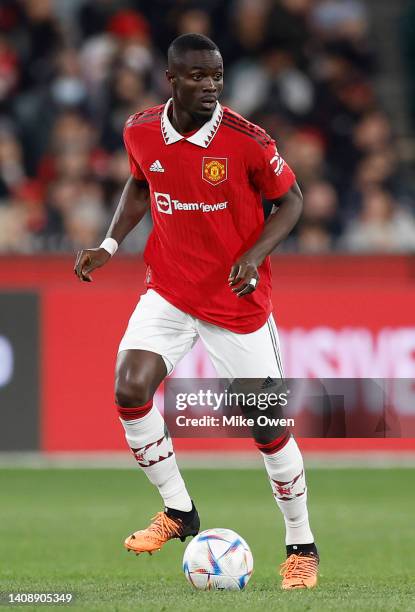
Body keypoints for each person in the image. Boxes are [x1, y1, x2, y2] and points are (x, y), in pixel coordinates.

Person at [74, 33, 319, 590]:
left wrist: (254, 255)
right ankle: (180, 511)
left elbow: (293, 199)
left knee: (267, 425)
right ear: (172, 79)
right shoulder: (139, 129)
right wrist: (109, 246)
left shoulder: (246, 140)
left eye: (217, 76)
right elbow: (140, 183)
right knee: (129, 387)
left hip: (237, 303)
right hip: (170, 290)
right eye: (198, 76)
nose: (210, 85)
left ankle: (302, 545)